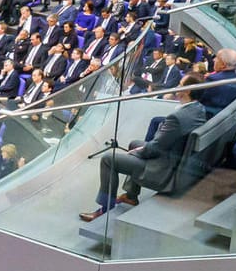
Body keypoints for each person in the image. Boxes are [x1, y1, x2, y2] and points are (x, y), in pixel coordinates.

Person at [81, 75, 208, 221]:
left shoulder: (177, 118)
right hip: (173, 158)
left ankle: (105, 207)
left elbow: (154, 149)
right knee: (135, 143)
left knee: (108, 159)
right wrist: (139, 149)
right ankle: (131, 196)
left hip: (162, 169)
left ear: (187, 91)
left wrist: (139, 152)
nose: (177, 86)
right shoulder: (198, 109)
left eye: (180, 84)